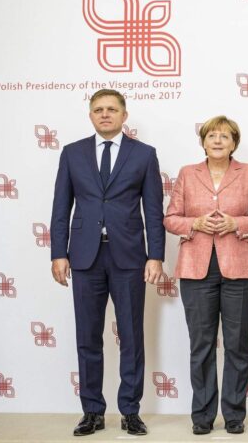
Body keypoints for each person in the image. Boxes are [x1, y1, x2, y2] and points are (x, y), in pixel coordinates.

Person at [50, 89, 165, 437]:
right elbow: (60, 207)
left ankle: (130, 411)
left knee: (131, 336)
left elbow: (154, 211)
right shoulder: (72, 153)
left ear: (124, 115)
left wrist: (156, 256)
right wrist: (58, 253)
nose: (105, 114)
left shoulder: (144, 154)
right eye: (98, 109)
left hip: (129, 257)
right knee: (88, 337)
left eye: (112, 109)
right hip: (85, 257)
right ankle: (92, 411)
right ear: (90, 115)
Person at [163, 116, 248, 436]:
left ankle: (234, 414)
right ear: (203, 142)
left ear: (234, 142)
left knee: (237, 345)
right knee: (202, 345)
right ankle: (202, 415)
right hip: (196, 269)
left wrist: (236, 223)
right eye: (212, 135)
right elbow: (171, 218)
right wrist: (194, 223)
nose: (218, 140)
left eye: (225, 136)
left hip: (240, 268)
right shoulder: (188, 173)